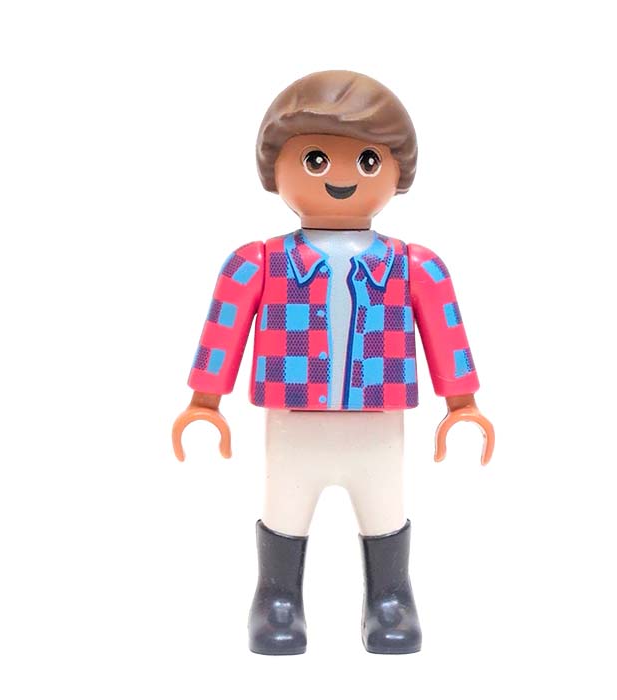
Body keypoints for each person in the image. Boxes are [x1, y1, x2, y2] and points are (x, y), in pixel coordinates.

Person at [172, 70, 495, 655]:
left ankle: (390, 598)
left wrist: (462, 403)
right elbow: (223, 330)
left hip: (378, 420)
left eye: (368, 161)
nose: (341, 177)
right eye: (315, 159)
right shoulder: (259, 262)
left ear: (397, 173)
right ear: (276, 170)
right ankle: (277, 599)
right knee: (286, 506)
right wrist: (205, 401)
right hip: (294, 420)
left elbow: (446, 333)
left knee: (383, 507)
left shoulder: (414, 265)